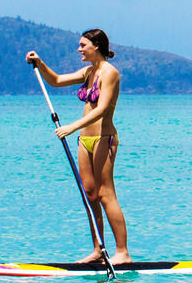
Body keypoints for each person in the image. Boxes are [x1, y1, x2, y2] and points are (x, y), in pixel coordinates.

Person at [27, 29, 130, 266]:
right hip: (85, 141)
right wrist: (39, 63)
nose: (79, 49)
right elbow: (55, 81)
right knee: (90, 195)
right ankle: (98, 250)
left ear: (97, 46)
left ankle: (122, 252)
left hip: (104, 139)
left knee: (106, 194)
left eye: (83, 45)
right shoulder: (88, 72)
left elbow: (102, 108)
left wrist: (71, 127)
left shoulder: (110, 73)